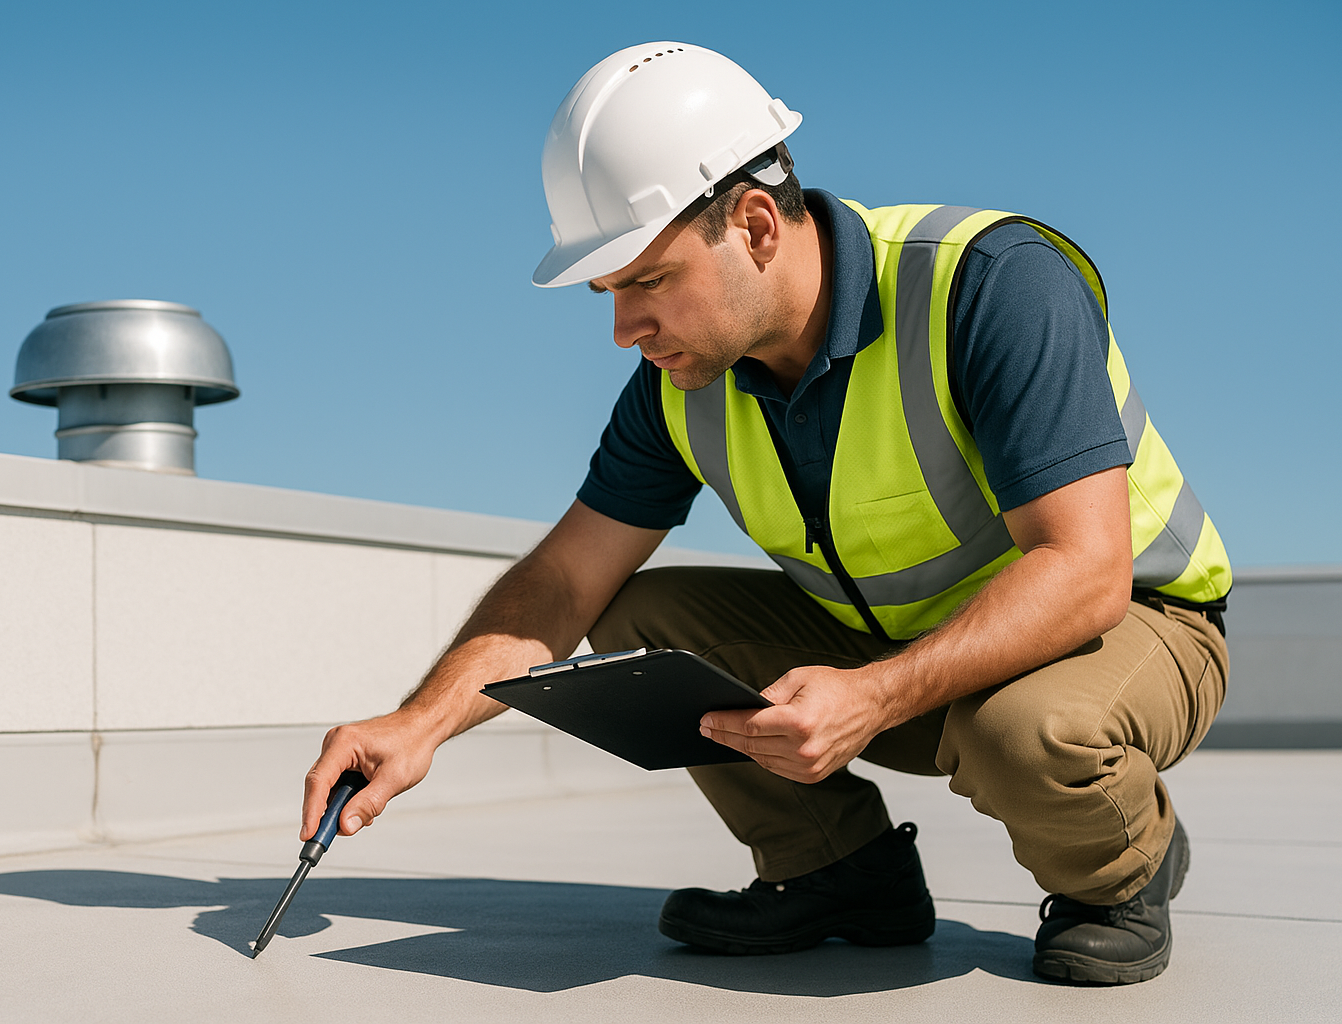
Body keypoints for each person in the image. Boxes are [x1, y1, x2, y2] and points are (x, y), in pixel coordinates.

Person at [302, 42, 1231, 986]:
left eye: (646, 280)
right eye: (608, 292)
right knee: (637, 628)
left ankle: (1119, 867)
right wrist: (417, 724)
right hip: (897, 647)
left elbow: (1086, 569)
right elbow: (565, 581)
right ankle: (839, 872)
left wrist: (869, 697)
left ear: (753, 224)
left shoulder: (988, 285)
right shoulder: (677, 389)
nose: (624, 329)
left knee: (1023, 732)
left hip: (1131, 626)